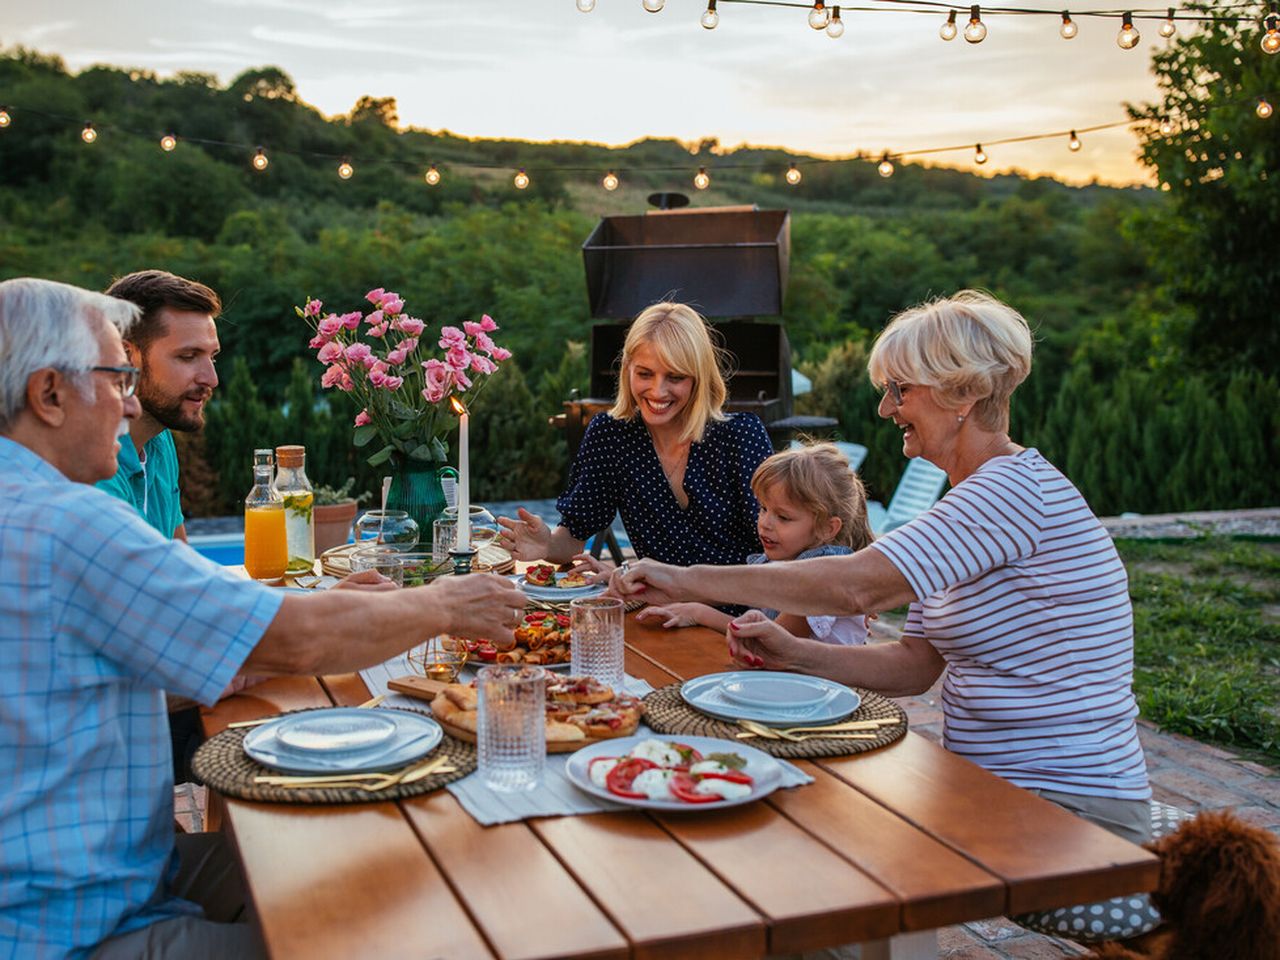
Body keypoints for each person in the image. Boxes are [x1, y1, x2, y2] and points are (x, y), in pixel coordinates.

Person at [0, 278, 525, 959]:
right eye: (118, 379)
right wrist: (447, 603)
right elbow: (294, 638)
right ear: (48, 394)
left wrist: (307, 622)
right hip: (75, 926)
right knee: (395, 926)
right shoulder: (68, 521)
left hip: (100, 879)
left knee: (346, 869)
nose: (129, 404)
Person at [614, 290, 1153, 846]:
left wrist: (682, 576)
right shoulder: (972, 498)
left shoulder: (1010, 494)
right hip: (996, 786)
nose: (886, 408)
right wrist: (793, 651)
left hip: (1068, 804)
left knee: (825, 855)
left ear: (962, 392)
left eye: (900, 389)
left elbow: (854, 587)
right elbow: (916, 665)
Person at [498, 301, 773, 574]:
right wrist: (546, 545)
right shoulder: (611, 436)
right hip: (658, 611)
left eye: (675, 377)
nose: (657, 390)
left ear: (698, 379)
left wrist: (690, 600)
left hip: (744, 612)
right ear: (627, 368)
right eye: (645, 374)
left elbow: (777, 557)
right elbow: (573, 535)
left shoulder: (741, 436)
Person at [637, 441, 874, 645]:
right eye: (763, 508)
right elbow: (724, 589)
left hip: (825, 692)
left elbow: (772, 639)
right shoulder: (780, 560)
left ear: (826, 528)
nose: (765, 523)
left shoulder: (823, 576)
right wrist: (659, 588)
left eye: (783, 517)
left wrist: (699, 613)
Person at [95, 269, 221, 541]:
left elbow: (182, 565)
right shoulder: (91, 462)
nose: (211, 379)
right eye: (188, 356)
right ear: (126, 357)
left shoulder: (159, 441)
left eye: (213, 357)